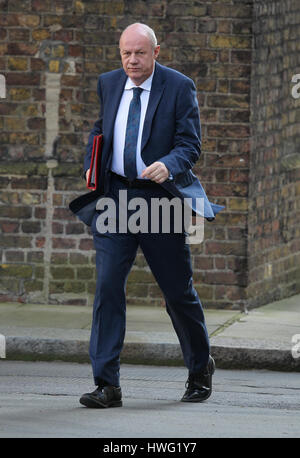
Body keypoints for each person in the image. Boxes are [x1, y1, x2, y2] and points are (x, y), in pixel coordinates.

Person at [69, 23, 223, 408]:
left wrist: (168, 165)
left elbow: (191, 144)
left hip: (160, 200)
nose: (132, 61)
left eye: (139, 53)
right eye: (125, 53)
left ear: (157, 52)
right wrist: (93, 159)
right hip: (116, 198)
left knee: (176, 291)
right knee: (107, 287)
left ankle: (200, 367)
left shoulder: (179, 86)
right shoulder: (108, 83)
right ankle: (107, 384)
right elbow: (103, 129)